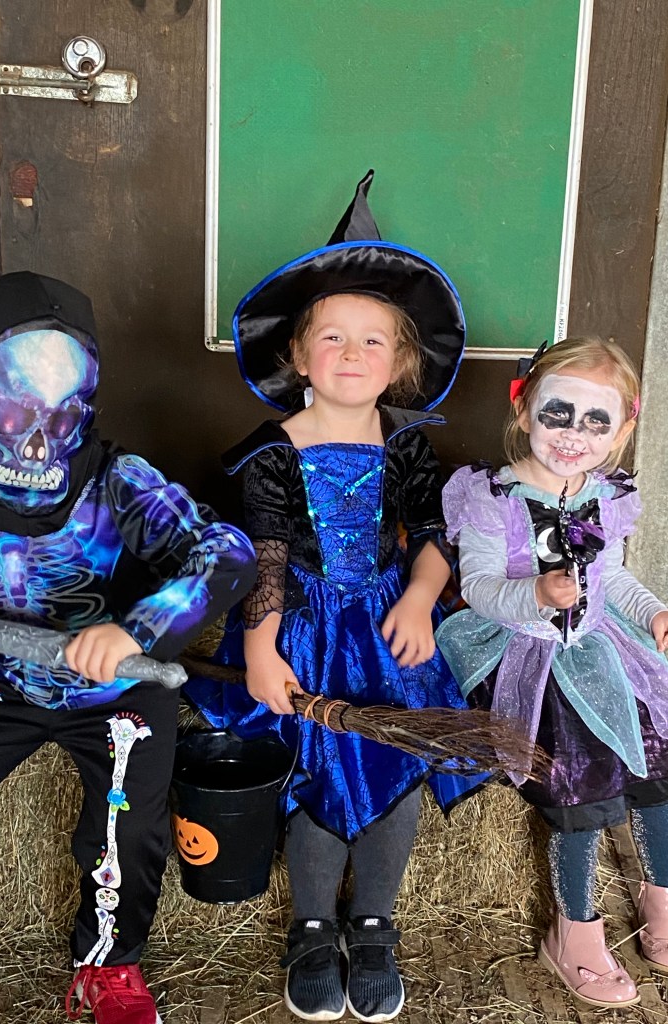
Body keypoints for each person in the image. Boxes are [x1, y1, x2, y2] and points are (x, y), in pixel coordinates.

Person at [0, 272, 256, 1024]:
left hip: (120, 691)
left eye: (65, 411)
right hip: (4, 679)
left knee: (126, 832)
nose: (39, 439)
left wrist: (137, 629)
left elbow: (227, 555)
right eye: (17, 408)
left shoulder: (120, 484)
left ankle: (108, 965)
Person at [186, 171, 486, 1023]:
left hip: (387, 624)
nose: (352, 354)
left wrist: (421, 598)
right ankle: (313, 925)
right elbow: (267, 559)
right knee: (315, 764)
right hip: (306, 626)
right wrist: (260, 649)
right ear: (297, 354)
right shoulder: (273, 453)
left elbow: (434, 537)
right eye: (332, 337)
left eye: (372, 341)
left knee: (395, 757)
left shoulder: (407, 446)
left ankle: (376, 922)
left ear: (400, 363)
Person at [436, 336, 668, 1010]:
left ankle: (664, 899)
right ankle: (575, 930)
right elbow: (479, 586)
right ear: (524, 410)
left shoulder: (608, 495)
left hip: (605, 647)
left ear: (623, 430)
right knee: (579, 787)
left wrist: (656, 613)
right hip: (528, 651)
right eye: (558, 413)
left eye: (597, 421)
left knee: (656, 767)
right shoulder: (493, 496)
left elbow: (615, 579)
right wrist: (536, 596)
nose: (575, 434)